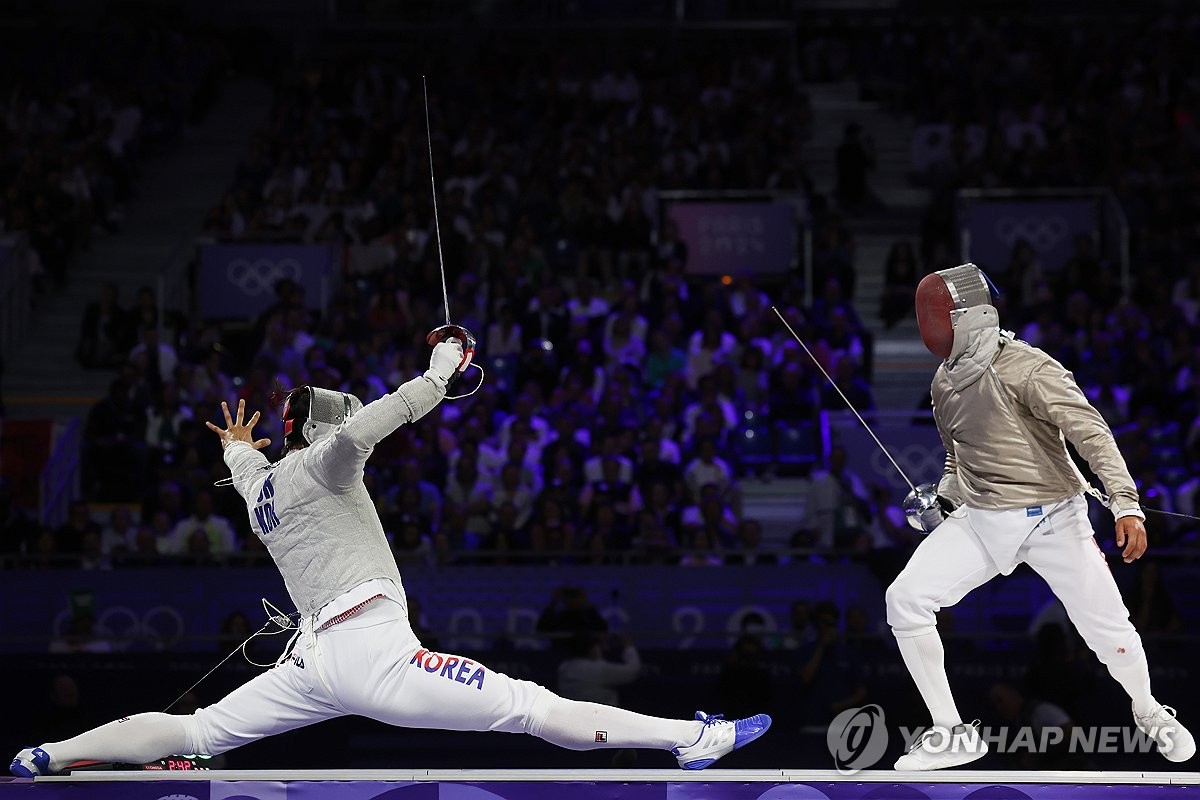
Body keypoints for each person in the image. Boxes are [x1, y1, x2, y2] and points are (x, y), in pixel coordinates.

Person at [11, 338, 769, 778]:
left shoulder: (263, 487)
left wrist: (240, 449)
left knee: (199, 732)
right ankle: (692, 740)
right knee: (533, 709)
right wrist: (439, 375)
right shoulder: (327, 462)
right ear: (326, 430)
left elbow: (245, 467)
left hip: (312, 664)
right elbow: (366, 430)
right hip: (372, 652)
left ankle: (47, 754)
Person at [886, 264, 1195, 770]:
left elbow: (1091, 432)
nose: (926, 325)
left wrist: (1125, 503)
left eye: (932, 314)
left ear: (964, 317)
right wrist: (944, 499)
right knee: (905, 600)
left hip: (1054, 517)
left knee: (1108, 628)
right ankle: (950, 732)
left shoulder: (1027, 367)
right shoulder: (944, 382)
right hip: (984, 517)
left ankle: (1149, 710)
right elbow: (956, 454)